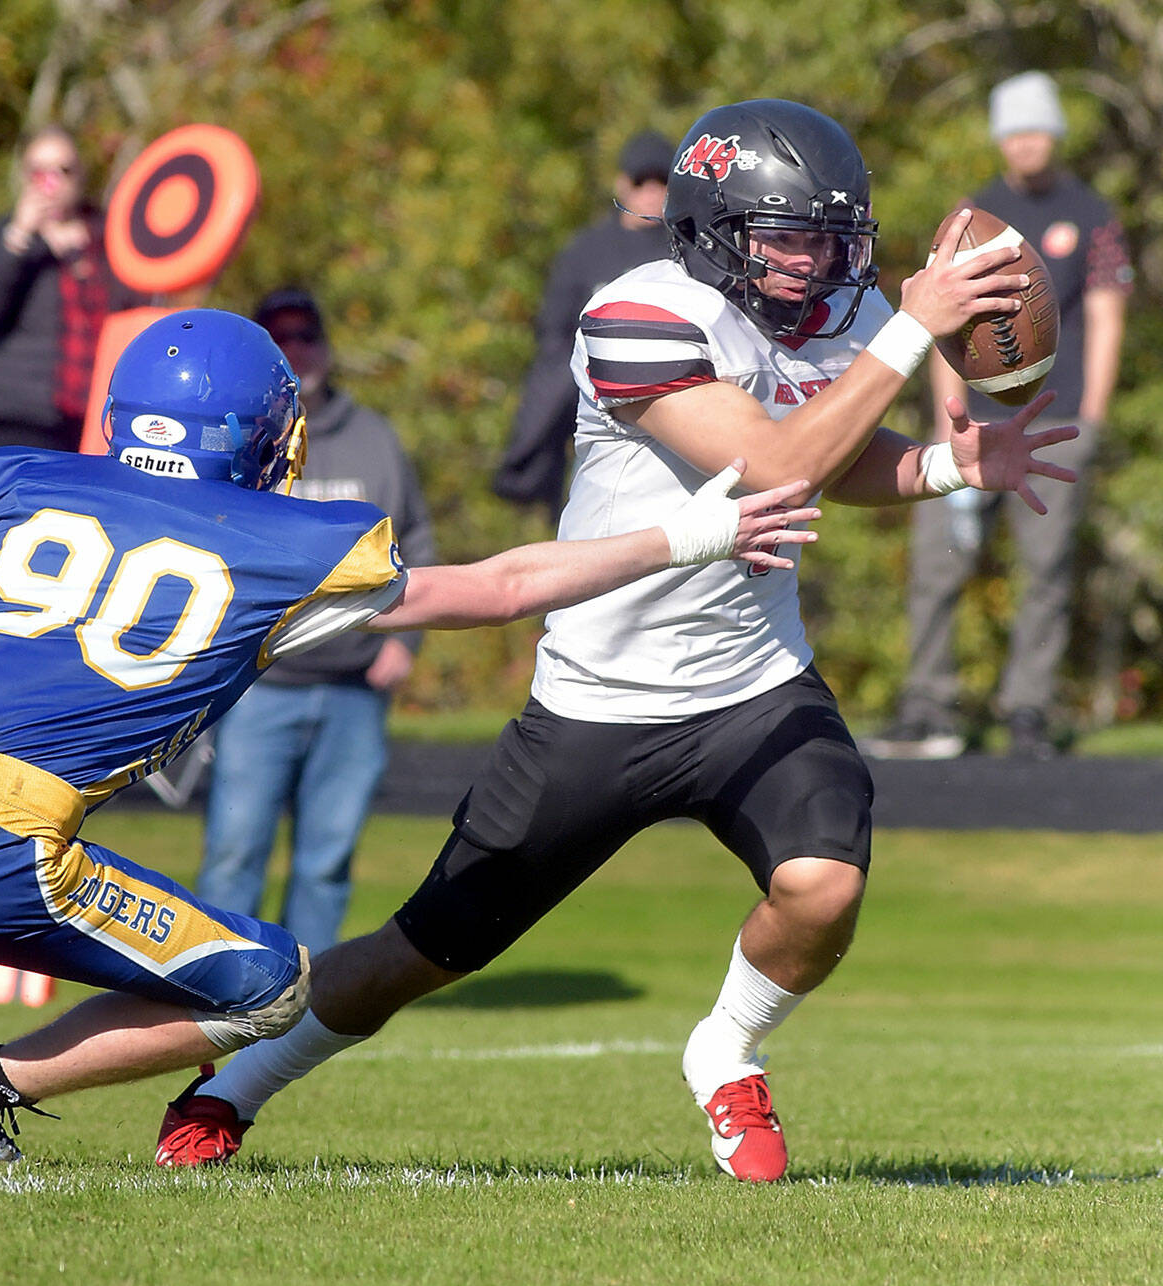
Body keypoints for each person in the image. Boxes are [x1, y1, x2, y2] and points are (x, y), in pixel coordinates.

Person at [152, 101, 1076, 1182]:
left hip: (750, 686)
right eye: (787, 237)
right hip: (599, 697)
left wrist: (949, 465)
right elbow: (775, 464)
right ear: (710, 232)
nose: (815, 261)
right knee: (423, 950)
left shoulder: (843, 312)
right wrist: (911, 331)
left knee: (823, 883)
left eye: (830, 236)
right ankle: (239, 1083)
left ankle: (725, 1050)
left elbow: (835, 451)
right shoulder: (635, 313)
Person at [0, 308, 819, 1166]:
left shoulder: (20, 483)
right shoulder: (280, 547)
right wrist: (685, 537)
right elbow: (500, 588)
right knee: (270, 989)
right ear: (264, 432)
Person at [869, 72, 1133, 760]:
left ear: (1055, 134)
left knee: (1043, 569)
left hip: (1056, 420)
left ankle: (1028, 711)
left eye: (1036, 129)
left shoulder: (1093, 212)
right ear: (999, 139)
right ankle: (930, 705)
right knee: (938, 563)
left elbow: (1106, 313)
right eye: (1013, 131)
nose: (1025, 142)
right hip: (969, 426)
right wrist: (939, 418)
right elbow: (941, 321)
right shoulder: (974, 214)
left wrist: (1094, 414)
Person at [195, 287, 437, 955]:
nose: (297, 349)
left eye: (307, 335)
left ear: (326, 345)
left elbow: (414, 540)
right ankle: (212, 993)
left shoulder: (374, 437)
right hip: (259, 684)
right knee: (234, 853)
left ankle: (303, 997)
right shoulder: (238, 438)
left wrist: (407, 641)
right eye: (282, 338)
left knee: (325, 861)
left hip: (355, 685)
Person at [492, 130, 675, 521]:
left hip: (673, 416)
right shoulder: (585, 252)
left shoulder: (687, 250)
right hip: (596, 422)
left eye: (663, 181)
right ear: (623, 184)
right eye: (643, 181)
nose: (651, 192)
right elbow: (553, 341)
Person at [0, 125, 139, 452]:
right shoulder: (3, 238)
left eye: (64, 170)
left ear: (80, 174)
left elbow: (138, 307)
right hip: (23, 415)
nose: (52, 182)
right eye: (39, 172)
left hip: (96, 419)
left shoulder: (110, 237)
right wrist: (19, 236)